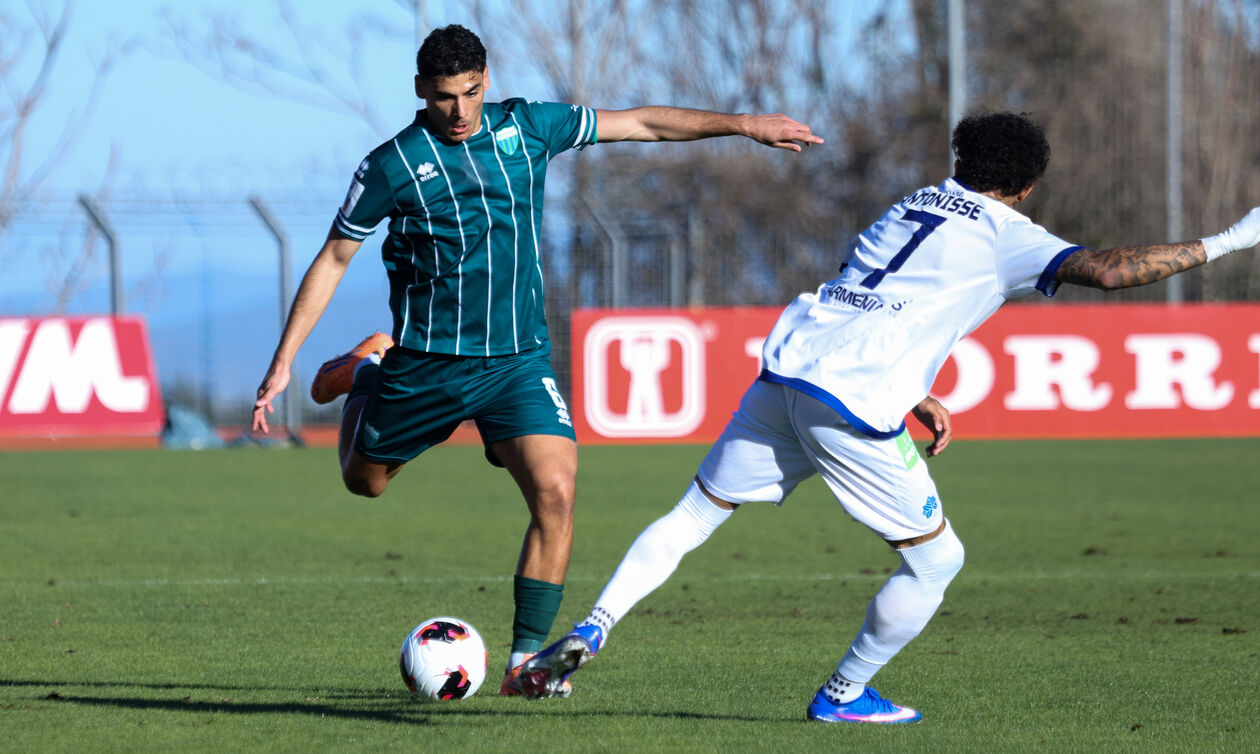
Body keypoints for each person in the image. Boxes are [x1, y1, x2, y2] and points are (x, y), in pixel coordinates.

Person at [519, 110, 1260, 720]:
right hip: (851, 403)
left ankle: (594, 626)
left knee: (693, 514)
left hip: (790, 370)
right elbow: (1109, 271)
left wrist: (913, 391)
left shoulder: (914, 202)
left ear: (959, 161)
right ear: (1028, 186)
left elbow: (880, 297)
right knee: (938, 561)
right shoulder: (1009, 234)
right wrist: (1233, 239)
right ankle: (843, 695)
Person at [250, 24, 822, 696]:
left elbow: (640, 123)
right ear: (420, 90)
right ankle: (369, 369)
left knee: (557, 491)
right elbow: (334, 257)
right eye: (444, 97)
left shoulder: (527, 128)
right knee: (363, 482)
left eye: (470, 92)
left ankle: (525, 664)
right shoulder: (391, 166)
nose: (459, 110)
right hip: (428, 364)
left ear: (486, 81)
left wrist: (744, 125)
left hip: (517, 362)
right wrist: (283, 361)